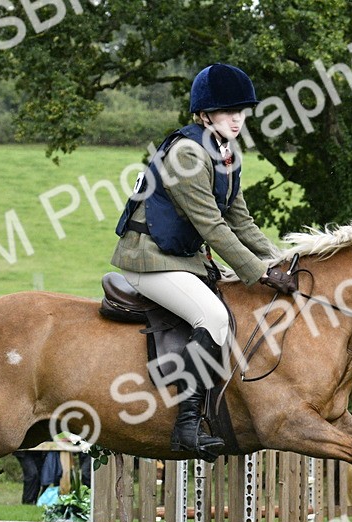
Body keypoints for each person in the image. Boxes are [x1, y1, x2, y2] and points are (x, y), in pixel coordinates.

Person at [112, 63, 291, 460]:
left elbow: (241, 220)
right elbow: (212, 226)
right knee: (212, 316)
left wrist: (281, 260)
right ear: (204, 114)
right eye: (228, 111)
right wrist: (260, 271)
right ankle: (187, 425)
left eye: (241, 111)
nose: (237, 119)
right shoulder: (188, 154)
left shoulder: (226, 154)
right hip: (148, 259)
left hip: (179, 260)